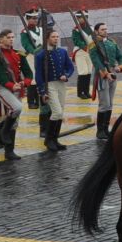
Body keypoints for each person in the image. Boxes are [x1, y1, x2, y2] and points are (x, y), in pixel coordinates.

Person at [0, 27, 29, 160]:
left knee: (14, 121)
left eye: (12, 37)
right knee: (4, 114)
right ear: (1, 40)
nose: (11, 40)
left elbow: (28, 73)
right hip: (2, 89)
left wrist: (24, 83)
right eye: (8, 37)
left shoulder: (18, 54)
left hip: (16, 89)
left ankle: (9, 151)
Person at [33, 27, 74, 155]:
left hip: (61, 84)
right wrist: (42, 91)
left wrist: (66, 75)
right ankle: (48, 140)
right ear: (47, 39)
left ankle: (55, 140)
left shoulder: (62, 52)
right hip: (49, 84)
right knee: (56, 112)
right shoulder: (40, 55)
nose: (56, 39)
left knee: (60, 113)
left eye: (57, 37)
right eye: (53, 37)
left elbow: (70, 67)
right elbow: (38, 75)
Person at [90, 21, 122, 141]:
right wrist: (105, 73)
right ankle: (100, 131)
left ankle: (106, 129)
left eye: (106, 29)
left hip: (113, 75)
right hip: (102, 76)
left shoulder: (111, 42)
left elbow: (120, 56)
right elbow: (96, 61)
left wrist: (119, 66)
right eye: (102, 30)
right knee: (104, 104)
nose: (105, 31)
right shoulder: (93, 45)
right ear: (96, 31)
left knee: (110, 103)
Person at [69, 10, 95, 101]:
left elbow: (94, 38)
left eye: (83, 17)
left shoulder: (91, 28)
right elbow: (76, 41)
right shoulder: (76, 30)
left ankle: (86, 91)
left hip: (90, 51)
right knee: (83, 71)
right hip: (80, 52)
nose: (81, 19)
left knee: (89, 71)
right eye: (79, 18)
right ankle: (80, 92)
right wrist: (85, 47)